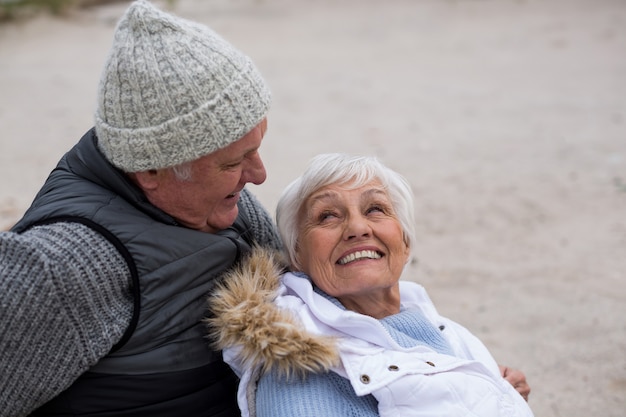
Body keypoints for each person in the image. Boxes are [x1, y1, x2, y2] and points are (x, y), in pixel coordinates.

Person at [0, 1, 280, 416]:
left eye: (255, 150)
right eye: (233, 162)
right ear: (150, 168)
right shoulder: (62, 267)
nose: (259, 175)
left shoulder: (222, 204)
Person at [209, 153, 534, 417]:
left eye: (375, 208)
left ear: (405, 243)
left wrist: (496, 394)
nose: (357, 227)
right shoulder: (300, 377)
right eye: (327, 216)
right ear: (297, 258)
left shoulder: (429, 321)